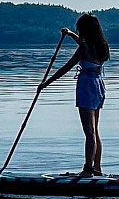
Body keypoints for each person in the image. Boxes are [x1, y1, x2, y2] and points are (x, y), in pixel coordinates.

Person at [40, 13, 110, 176]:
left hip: (86, 87)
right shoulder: (101, 46)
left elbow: (66, 67)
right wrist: (71, 34)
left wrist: (46, 83)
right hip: (98, 86)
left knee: (89, 132)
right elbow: (84, 45)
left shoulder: (84, 49)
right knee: (95, 131)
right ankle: (97, 167)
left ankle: (88, 169)